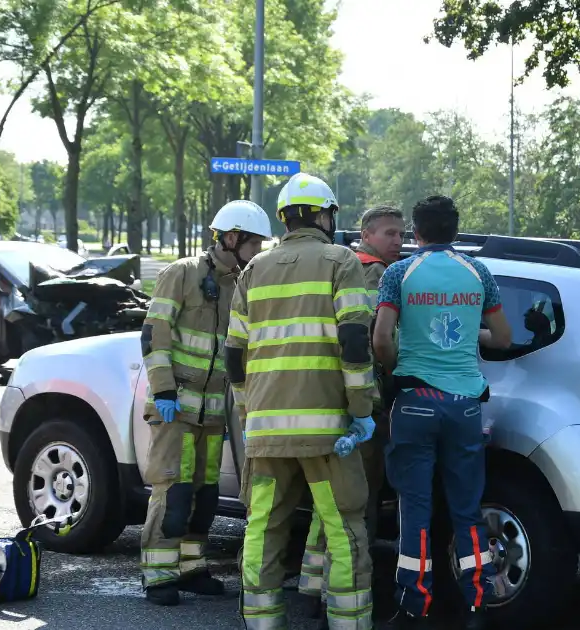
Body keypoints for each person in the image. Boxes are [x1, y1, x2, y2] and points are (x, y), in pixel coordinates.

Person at [226, 172, 376, 630]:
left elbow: (235, 353)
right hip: (327, 431)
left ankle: (261, 621)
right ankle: (348, 622)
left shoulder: (254, 269)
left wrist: (248, 410)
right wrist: (362, 411)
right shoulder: (340, 260)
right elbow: (354, 340)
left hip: (267, 432)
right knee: (343, 525)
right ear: (322, 215)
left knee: (263, 527)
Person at [372, 195, 513, 630]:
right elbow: (504, 339)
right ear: (455, 230)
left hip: (416, 402)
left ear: (416, 232)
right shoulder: (478, 272)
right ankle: (477, 604)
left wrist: (396, 372)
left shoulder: (399, 272)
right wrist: (472, 333)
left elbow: (380, 339)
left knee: (414, 507)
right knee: (466, 508)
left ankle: (416, 606)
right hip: (464, 406)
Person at [138, 199, 271, 606]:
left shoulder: (241, 283)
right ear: (232, 237)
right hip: (175, 406)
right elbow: (154, 332)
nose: (259, 250)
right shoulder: (181, 273)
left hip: (213, 412)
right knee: (172, 491)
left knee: (204, 493)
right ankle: (158, 575)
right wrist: (162, 390)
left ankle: (192, 568)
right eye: (255, 242)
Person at [298, 205, 406, 615]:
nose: (398, 241)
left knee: (328, 499)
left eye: (402, 233)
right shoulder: (376, 272)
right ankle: (347, 590)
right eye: (390, 233)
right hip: (363, 401)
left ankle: (312, 584)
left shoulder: (332, 265)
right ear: (366, 233)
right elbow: (380, 339)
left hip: (326, 398)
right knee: (359, 502)